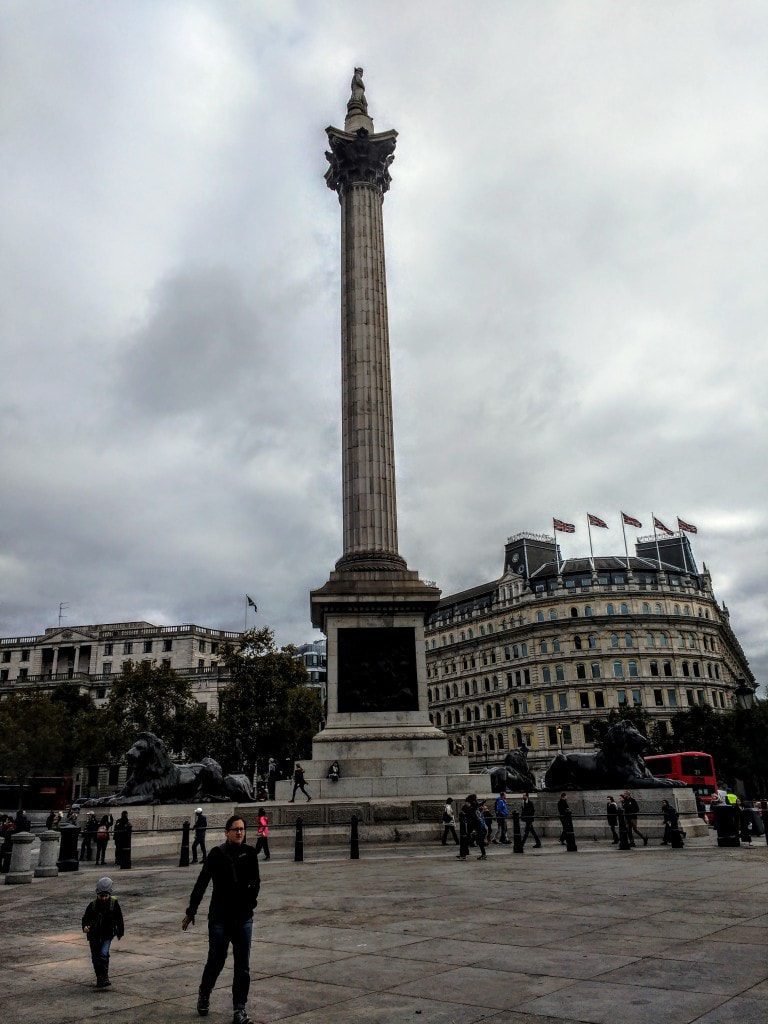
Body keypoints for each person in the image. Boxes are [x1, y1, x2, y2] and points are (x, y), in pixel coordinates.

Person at [182, 814, 260, 1024]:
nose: (239, 832)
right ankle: (205, 991)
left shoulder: (250, 853)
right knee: (216, 960)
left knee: (242, 965)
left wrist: (251, 901)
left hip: (243, 917)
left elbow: (256, 882)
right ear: (227, 832)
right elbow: (202, 882)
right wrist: (192, 910)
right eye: (235, 829)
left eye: (242, 829)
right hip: (220, 918)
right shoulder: (217, 854)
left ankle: (239, 1009)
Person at [82, 876, 124, 989]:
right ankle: (99, 977)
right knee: (96, 957)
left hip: (107, 934)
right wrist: (85, 926)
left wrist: (120, 931)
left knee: (104, 954)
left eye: (106, 896)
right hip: (94, 935)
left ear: (110, 894)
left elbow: (119, 918)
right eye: (101, 896)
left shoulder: (114, 904)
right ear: (97, 894)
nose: (104, 898)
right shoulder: (93, 905)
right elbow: (85, 918)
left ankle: (105, 976)